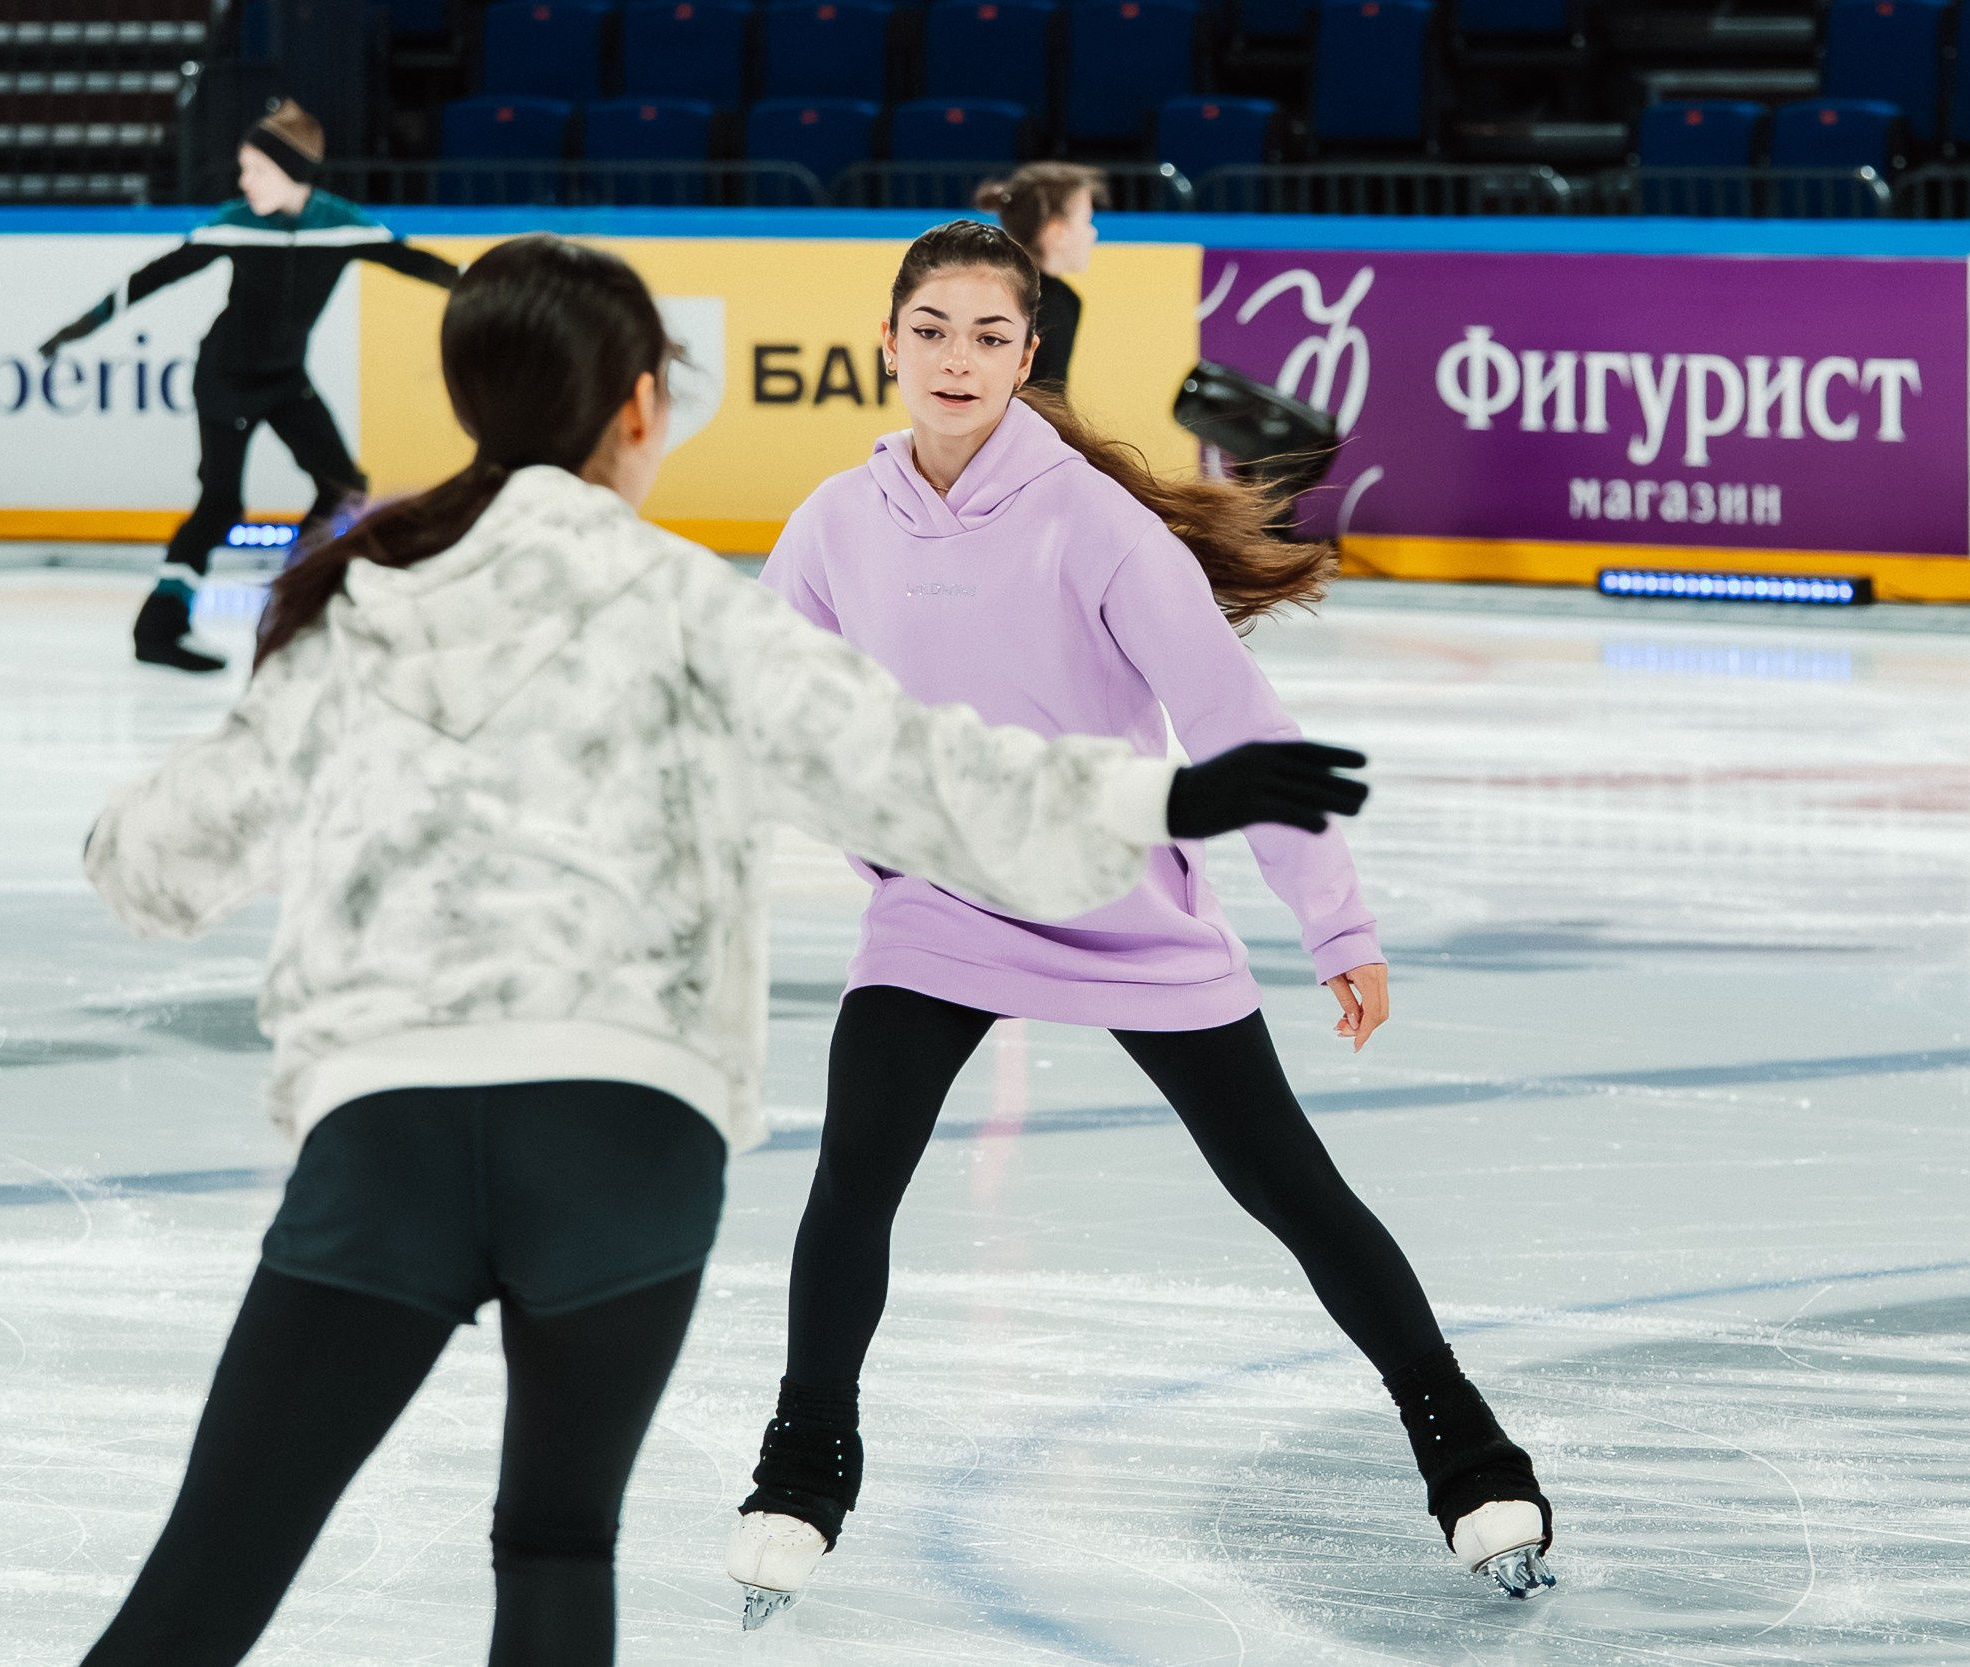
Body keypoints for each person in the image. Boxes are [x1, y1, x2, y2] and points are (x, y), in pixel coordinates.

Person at [74, 231, 1372, 1667]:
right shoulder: (697, 607)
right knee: (558, 1545)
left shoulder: (359, 605)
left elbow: (155, 857)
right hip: (627, 1147)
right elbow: (926, 776)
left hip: (389, 1138)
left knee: (206, 1582)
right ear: (642, 409)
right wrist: (1167, 800)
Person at [724, 220, 1556, 1626]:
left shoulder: (1091, 521)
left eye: (990, 335)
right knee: (852, 1178)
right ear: (886, 340)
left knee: (1290, 1187)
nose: (956, 358)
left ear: (1028, 355)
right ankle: (803, 1467)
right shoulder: (834, 524)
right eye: (931, 328)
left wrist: (1334, 924)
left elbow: (1238, 723)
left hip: (1122, 909)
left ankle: (1473, 1458)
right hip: (941, 908)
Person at [40, 99, 461, 674]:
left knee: (343, 487)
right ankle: (158, 630)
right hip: (223, 380)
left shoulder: (341, 227)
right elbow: (156, 276)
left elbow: (419, 266)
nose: (244, 180)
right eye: (244, 168)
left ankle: (293, 594)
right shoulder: (237, 224)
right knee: (220, 504)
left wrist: (485, 289)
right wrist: (81, 327)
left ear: (294, 170)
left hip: (285, 380)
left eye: (255, 169)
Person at [972, 162, 1104, 390]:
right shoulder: (1048, 304)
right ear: (1057, 231)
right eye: (1086, 220)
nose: (1093, 233)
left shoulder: (1060, 298)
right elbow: (1045, 400)